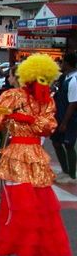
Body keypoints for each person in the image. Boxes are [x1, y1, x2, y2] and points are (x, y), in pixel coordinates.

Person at [0, 54, 72, 256]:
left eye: (45, 79)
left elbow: (49, 126)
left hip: (36, 158)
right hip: (15, 157)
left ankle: (9, 248)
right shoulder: (12, 96)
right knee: (16, 207)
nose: (41, 83)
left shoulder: (47, 101)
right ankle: (2, 251)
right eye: (37, 78)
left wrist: (29, 120)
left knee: (36, 207)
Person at [51, 52, 77, 184]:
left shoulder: (74, 80)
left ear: (67, 63)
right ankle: (65, 170)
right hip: (59, 116)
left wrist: (65, 123)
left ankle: (72, 175)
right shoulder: (64, 78)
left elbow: (73, 103)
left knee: (69, 145)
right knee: (56, 142)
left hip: (69, 119)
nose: (61, 64)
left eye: (62, 62)